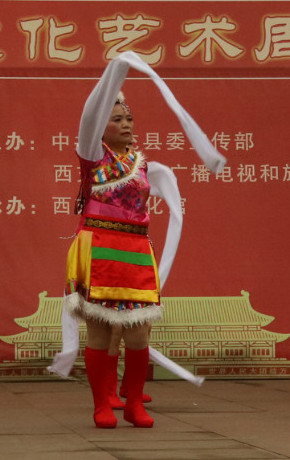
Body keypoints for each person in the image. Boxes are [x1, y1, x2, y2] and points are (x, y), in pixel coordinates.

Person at [61, 53, 225, 429]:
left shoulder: (142, 164)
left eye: (129, 119)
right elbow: (90, 114)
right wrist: (118, 68)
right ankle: (101, 405)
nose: (125, 124)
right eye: (116, 119)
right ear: (100, 128)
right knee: (100, 330)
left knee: (139, 332)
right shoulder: (92, 156)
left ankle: (134, 402)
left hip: (136, 249)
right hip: (100, 247)